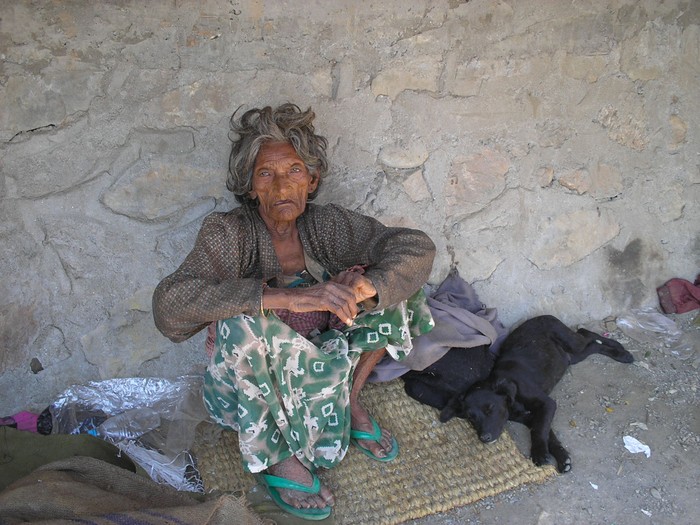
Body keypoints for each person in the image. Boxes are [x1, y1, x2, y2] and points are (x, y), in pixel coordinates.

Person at [152, 103, 435, 520]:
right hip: (256, 386)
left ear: (312, 179)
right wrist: (283, 298)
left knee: (397, 287)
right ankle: (276, 456)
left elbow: (415, 247)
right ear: (250, 186)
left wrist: (365, 288)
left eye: (295, 171)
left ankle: (349, 401)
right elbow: (168, 305)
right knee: (240, 323)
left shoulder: (327, 225)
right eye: (266, 173)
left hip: (320, 361)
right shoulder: (228, 232)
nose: (282, 185)